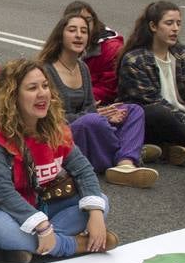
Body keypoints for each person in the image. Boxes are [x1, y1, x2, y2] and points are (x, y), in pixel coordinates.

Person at [0, 59, 114, 263]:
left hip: (43, 205)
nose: (42, 94)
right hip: (2, 210)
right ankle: (73, 245)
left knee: (101, 201)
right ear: (12, 96)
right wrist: (42, 226)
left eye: (45, 86)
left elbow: (83, 170)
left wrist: (96, 213)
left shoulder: (54, 128)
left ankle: (28, 248)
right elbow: (1, 192)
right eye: (32, 88)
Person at [38, 11, 158, 187]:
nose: (79, 35)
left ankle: (125, 165)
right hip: (61, 132)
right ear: (60, 36)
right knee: (93, 121)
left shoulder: (82, 67)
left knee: (133, 110)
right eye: (72, 30)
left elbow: (88, 106)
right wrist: (97, 116)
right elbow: (50, 117)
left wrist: (103, 115)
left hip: (87, 123)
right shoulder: (47, 69)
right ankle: (129, 153)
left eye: (84, 31)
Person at [116, 0, 185, 165]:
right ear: (153, 26)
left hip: (182, 118)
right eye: (169, 23)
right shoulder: (135, 59)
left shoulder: (180, 52)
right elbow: (153, 101)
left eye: (178, 23)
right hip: (154, 119)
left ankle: (168, 150)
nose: (175, 28)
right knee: (160, 113)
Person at [63, 1, 124, 103]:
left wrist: (75, 98)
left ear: (94, 21)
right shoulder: (64, 42)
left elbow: (108, 89)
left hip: (96, 104)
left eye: (87, 20)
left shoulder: (111, 49)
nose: (80, 30)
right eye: (73, 27)